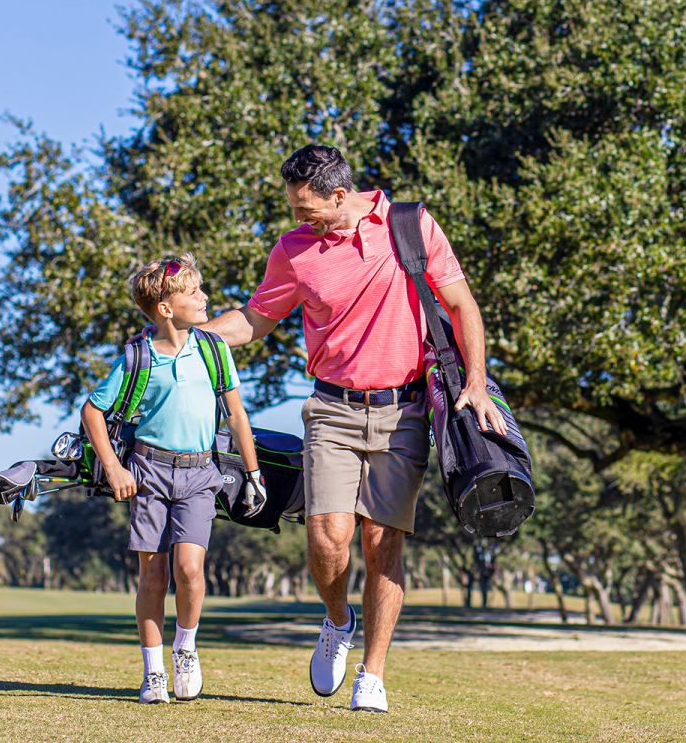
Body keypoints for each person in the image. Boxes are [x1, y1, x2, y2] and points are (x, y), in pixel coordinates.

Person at [200, 144, 503, 714]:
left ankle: (373, 674)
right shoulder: (294, 252)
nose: (297, 217)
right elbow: (255, 319)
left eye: (306, 207)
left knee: (382, 541)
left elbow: (462, 305)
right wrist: (192, 341)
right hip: (332, 410)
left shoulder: (411, 226)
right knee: (327, 537)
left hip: (405, 411)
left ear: (341, 195)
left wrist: (478, 382)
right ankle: (337, 620)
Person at [81, 254, 267, 704]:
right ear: (166, 307)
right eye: (193, 292)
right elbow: (92, 411)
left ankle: (185, 648)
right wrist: (114, 467)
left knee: (190, 570)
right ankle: (154, 672)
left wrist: (254, 473)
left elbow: (237, 414)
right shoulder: (136, 357)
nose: (204, 298)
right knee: (153, 576)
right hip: (148, 474)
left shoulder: (213, 349)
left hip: (201, 473)